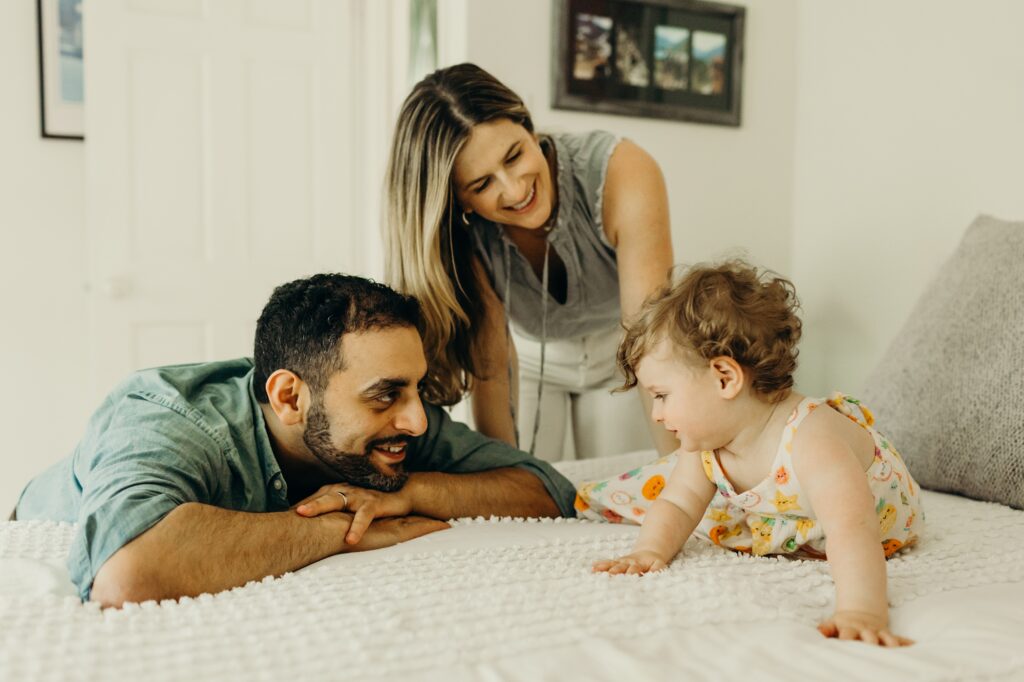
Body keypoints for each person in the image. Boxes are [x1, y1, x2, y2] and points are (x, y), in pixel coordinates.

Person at [14, 274, 577, 607]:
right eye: (385, 395)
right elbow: (124, 572)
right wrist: (343, 530)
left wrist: (410, 494)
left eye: (416, 391)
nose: (417, 422)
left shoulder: (390, 426)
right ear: (289, 398)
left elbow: (548, 490)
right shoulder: (166, 415)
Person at [589, 260, 923, 647]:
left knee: (822, 517)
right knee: (661, 486)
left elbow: (853, 528)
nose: (657, 414)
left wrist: (862, 610)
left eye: (662, 396)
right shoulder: (707, 442)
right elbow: (678, 504)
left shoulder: (813, 440)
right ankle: (588, 495)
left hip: (872, 516)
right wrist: (647, 552)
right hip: (795, 509)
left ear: (725, 378)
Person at [383, 62, 678, 462]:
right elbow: (493, 365)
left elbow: (649, 338)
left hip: (623, 354)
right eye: (483, 184)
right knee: (527, 487)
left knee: (635, 481)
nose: (515, 189)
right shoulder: (462, 235)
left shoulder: (623, 170)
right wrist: (505, 481)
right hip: (532, 360)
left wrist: (686, 476)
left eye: (515, 155)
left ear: (526, 125)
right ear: (459, 200)